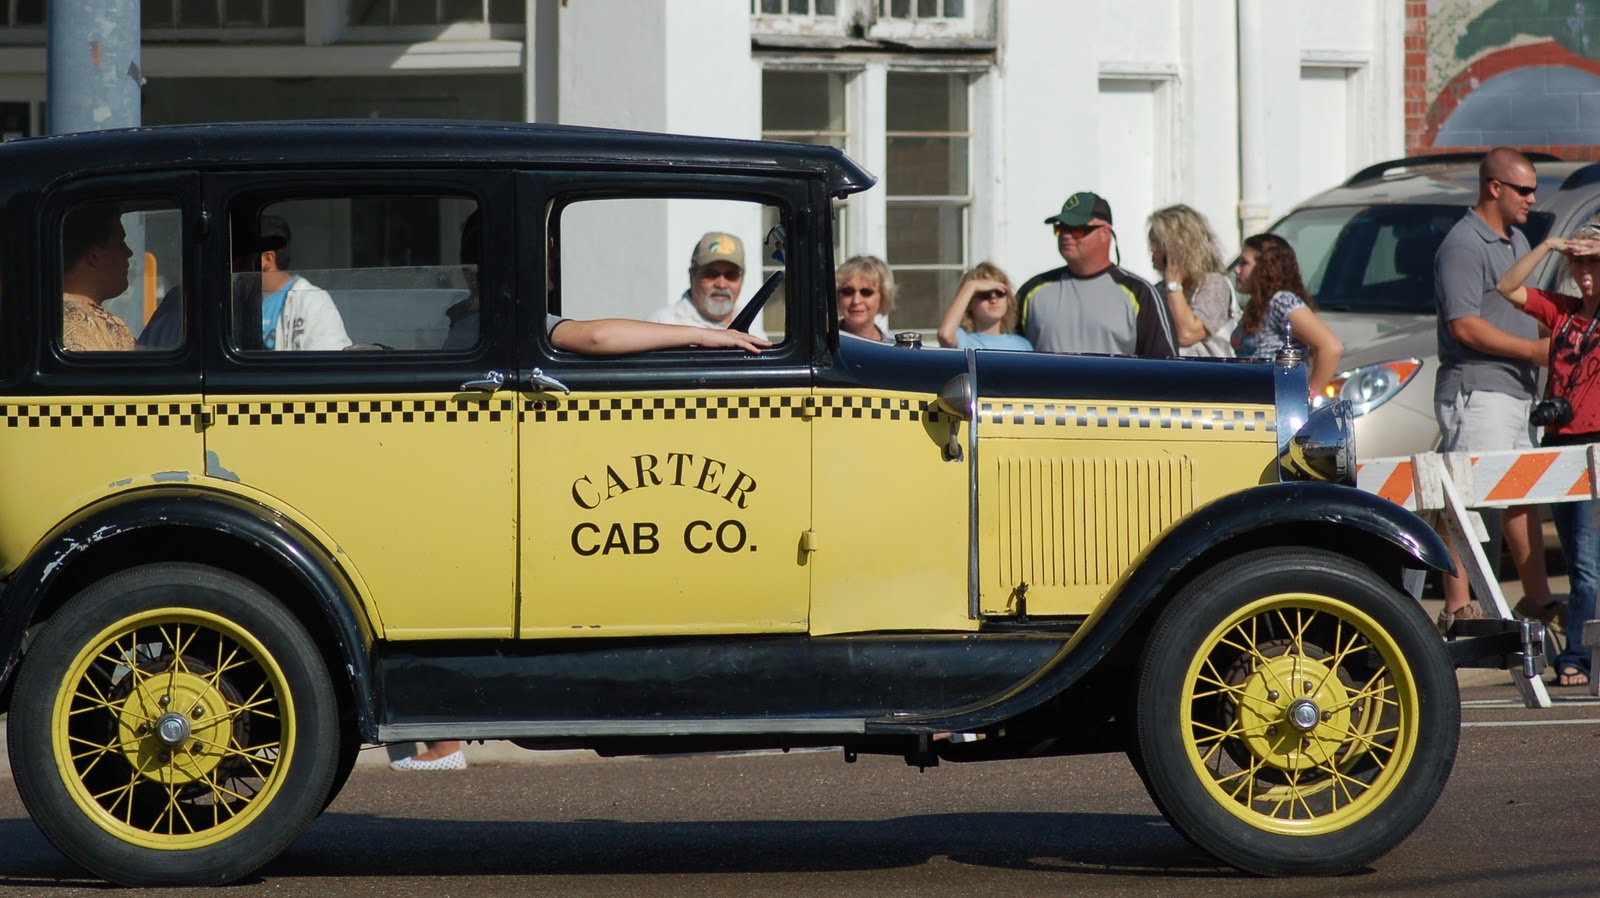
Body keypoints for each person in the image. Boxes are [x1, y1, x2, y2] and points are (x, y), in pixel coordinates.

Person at [1433, 147, 1561, 635]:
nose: (1532, 199)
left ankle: (1537, 600)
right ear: (1494, 187)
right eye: (1524, 189)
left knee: (1522, 496)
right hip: (1477, 391)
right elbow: (1464, 326)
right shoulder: (1464, 245)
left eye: (1533, 189)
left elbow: (1526, 307)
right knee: (1464, 499)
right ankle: (1458, 607)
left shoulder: (1516, 239)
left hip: (1516, 392)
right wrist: (1533, 352)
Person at [1494, 225, 1600, 686]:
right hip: (1558, 444)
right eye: (1579, 262)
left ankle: (1578, 654)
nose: (1585, 270)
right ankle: (1581, 649)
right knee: (1577, 560)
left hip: (1597, 446)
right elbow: (1507, 287)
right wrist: (1551, 246)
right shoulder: (1563, 311)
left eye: (1594, 261)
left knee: (1588, 564)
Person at [1016, 191, 1176, 357]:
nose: (1066, 235)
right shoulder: (1032, 290)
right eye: (1060, 228)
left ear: (1105, 233)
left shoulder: (1140, 293)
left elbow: (1165, 364)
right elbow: (1006, 351)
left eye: (1077, 229)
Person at [1232, 234, 1344, 395]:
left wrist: (1309, 397)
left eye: (1244, 263)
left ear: (1266, 267)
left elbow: (1331, 347)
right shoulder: (1256, 305)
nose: (1236, 269)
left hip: (1276, 401)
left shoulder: (1281, 301)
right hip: (1253, 400)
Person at [1147, 204, 1237, 357]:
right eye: (1152, 242)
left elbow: (1187, 334)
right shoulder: (1159, 291)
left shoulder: (1214, 285)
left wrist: (1174, 286)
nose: (1152, 249)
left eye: (1158, 243)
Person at [647, 231, 768, 341]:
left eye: (731, 275)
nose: (721, 284)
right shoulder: (661, 324)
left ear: (742, 278)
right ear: (692, 274)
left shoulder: (754, 330)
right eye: (711, 274)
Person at [256, 215, 352, 351]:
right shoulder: (236, 301)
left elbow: (329, 359)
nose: (234, 264)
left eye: (241, 256)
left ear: (267, 259)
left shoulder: (312, 301)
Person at [61, 203, 136, 352]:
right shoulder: (80, 325)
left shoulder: (52, 317)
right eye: (120, 244)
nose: (129, 253)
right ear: (94, 256)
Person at [936, 261, 1032, 350]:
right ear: (969, 303)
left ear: (1008, 300)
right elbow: (945, 335)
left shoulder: (1022, 345)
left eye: (999, 292)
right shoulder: (962, 338)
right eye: (985, 293)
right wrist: (971, 286)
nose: (994, 299)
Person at [837, 255, 895, 342]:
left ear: (883, 296)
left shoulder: (892, 348)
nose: (856, 301)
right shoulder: (821, 346)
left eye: (866, 292)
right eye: (848, 291)